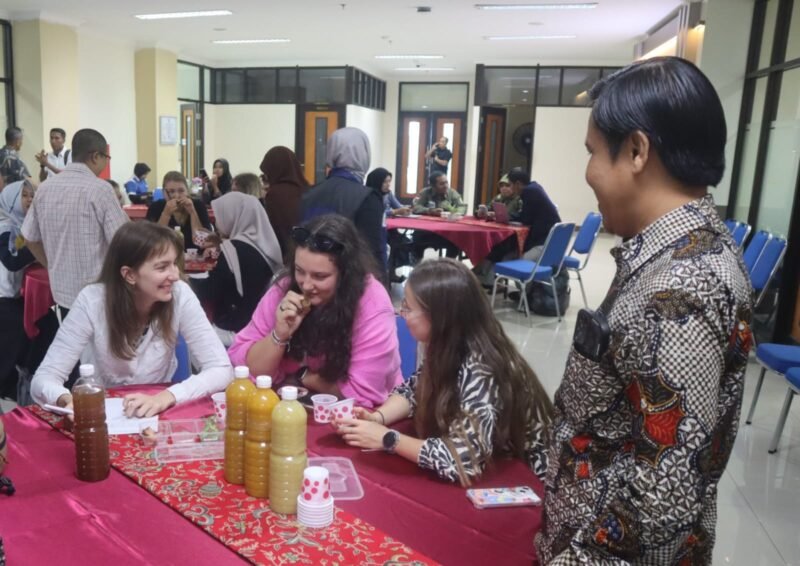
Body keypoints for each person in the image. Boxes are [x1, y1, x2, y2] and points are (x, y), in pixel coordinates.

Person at [535, 57, 754, 565]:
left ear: (636, 151)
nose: (588, 171)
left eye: (592, 153)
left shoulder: (682, 287)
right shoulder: (671, 253)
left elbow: (664, 496)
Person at [335, 258, 553, 485]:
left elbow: (461, 460)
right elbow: (415, 389)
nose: (402, 313)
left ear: (439, 317)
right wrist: (377, 417)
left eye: (408, 307)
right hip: (493, 462)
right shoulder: (444, 343)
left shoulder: (482, 367)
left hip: (526, 482)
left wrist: (389, 439)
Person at [30, 222, 233, 418]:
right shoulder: (92, 300)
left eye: (174, 264)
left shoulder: (180, 294)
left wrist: (168, 396)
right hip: (102, 414)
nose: (175, 275)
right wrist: (66, 399)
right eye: (162, 268)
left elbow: (222, 369)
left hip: (157, 412)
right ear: (129, 275)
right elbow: (44, 378)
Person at [228, 214, 402, 408]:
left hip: (362, 419)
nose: (307, 285)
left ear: (346, 274)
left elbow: (360, 394)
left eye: (320, 276)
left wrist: (302, 376)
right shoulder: (285, 289)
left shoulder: (372, 303)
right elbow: (245, 368)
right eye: (300, 271)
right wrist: (279, 335)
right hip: (294, 408)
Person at [21, 128, 128, 314]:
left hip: (62, 293)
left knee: (72, 341)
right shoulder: (100, 189)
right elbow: (123, 241)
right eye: (106, 158)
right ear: (96, 156)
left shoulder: (45, 188)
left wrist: (52, 266)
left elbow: (29, 238)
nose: (105, 163)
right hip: (98, 295)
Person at [193, 192, 282, 347]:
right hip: (262, 326)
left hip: (234, 330)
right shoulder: (265, 244)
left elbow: (209, 290)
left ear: (233, 216)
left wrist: (185, 280)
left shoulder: (232, 250)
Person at [302, 128, 385, 270]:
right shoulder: (368, 198)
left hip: (312, 277)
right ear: (364, 153)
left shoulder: (309, 193)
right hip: (351, 281)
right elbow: (373, 252)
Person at [0, 180, 35, 399]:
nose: (30, 200)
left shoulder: (18, 224)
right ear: (11, 199)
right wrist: (37, 247)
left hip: (13, 296)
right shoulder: (4, 227)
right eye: (24, 195)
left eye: (32, 195)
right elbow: (12, 261)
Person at [260, 146, 309, 258]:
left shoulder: (275, 194)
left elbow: (273, 230)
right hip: (308, 250)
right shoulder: (307, 189)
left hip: (285, 254)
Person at [146, 171, 212, 250]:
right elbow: (151, 242)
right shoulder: (156, 207)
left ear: (187, 191)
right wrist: (166, 214)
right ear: (164, 192)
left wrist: (192, 212)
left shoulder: (198, 205)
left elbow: (203, 242)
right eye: (171, 191)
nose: (176, 196)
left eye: (181, 191)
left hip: (194, 255)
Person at [366, 167, 410, 283]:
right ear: (377, 181)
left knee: (401, 242)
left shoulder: (388, 194)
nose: (388, 184)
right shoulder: (368, 196)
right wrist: (393, 212)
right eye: (385, 181)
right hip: (374, 232)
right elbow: (375, 212)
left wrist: (407, 208)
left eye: (389, 181)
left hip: (388, 229)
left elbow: (398, 206)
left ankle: (391, 273)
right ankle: (384, 275)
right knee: (391, 244)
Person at [410, 171, 463, 260]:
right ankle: (417, 267)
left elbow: (462, 208)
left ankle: (448, 265)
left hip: (447, 231)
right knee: (417, 238)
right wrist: (430, 211)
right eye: (441, 184)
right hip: (427, 231)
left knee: (457, 240)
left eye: (446, 182)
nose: (446, 185)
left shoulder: (452, 193)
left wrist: (453, 212)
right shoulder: (425, 193)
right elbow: (415, 207)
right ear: (433, 186)